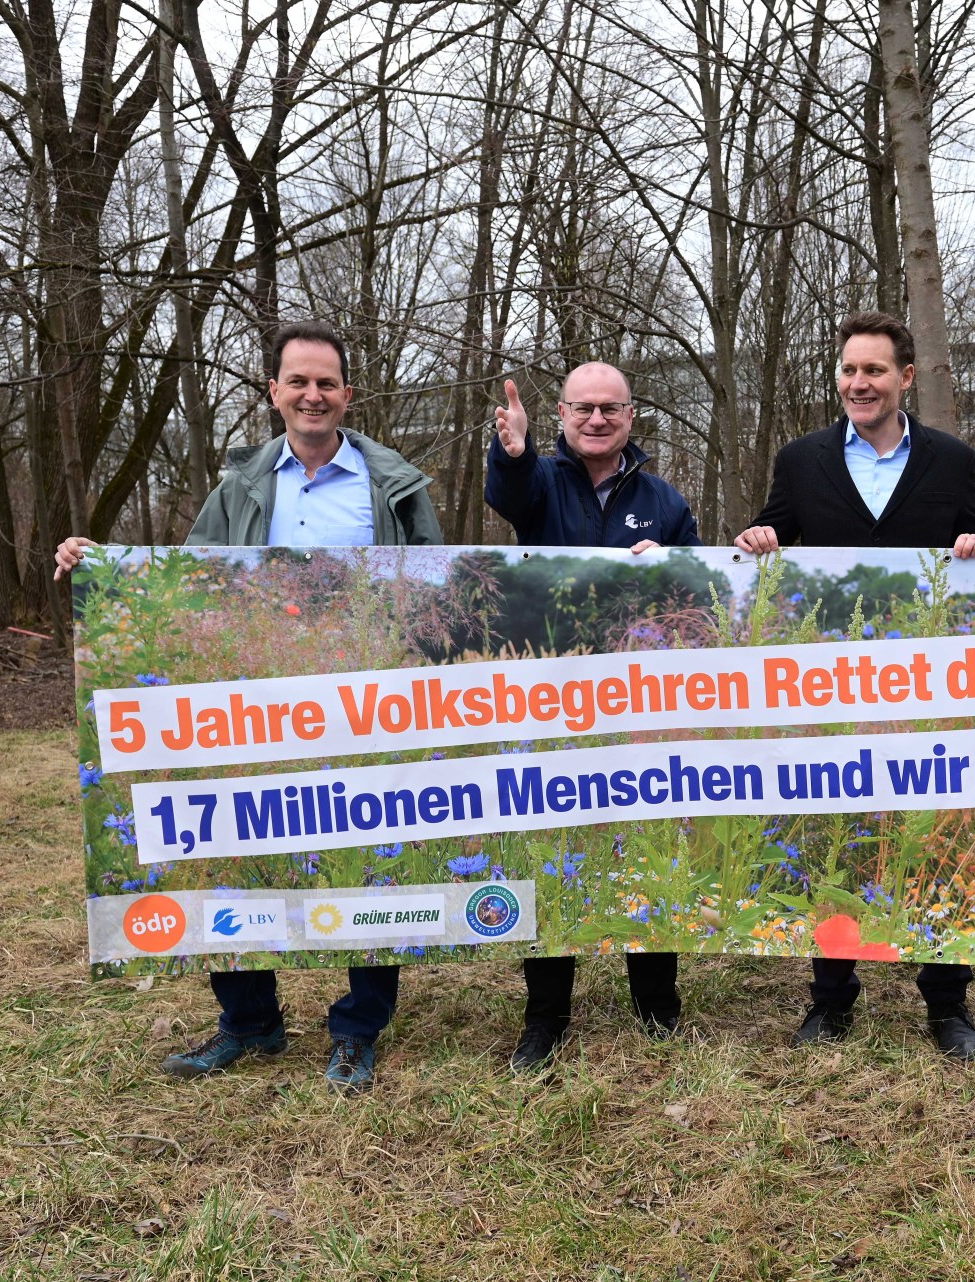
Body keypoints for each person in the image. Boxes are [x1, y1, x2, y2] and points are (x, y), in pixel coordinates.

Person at [56, 319, 441, 1092]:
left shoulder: (393, 484)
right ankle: (249, 1020)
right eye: (297, 381)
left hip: (364, 704)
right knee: (234, 843)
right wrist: (100, 566)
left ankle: (358, 1029)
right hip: (253, 700)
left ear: (347, 394)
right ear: (274, 392)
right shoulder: (241, 485)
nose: (312, 395)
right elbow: (189, 578)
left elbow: (431, 583)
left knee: (371, 853)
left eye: (326, 382)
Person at [735, 310, 975, 1061]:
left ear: (905, 378)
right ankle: (830, 998)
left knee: (931, 839)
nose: (859, 383)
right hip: (831, 690)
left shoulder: (951, 460)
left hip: (927, 689)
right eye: (850, 370)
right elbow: (775, 534)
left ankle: (947, 1003)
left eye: (875, 370)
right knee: (837, 842)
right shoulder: (801, 457)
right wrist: (758, 536)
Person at [485, 360, 699, 1072]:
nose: (598, 419)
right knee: (555, 852)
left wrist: (670, 567)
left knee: (645, 845)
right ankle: (546, 1016)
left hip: (641, 704)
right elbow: (509, 493)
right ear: (562, 415)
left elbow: (697, 597)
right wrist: (510, 451)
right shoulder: (542, 479)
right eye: (584, 408)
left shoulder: (664, 500)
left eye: (611, 408)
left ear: (631, 416)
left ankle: (656, 1002)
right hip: (553, 698)